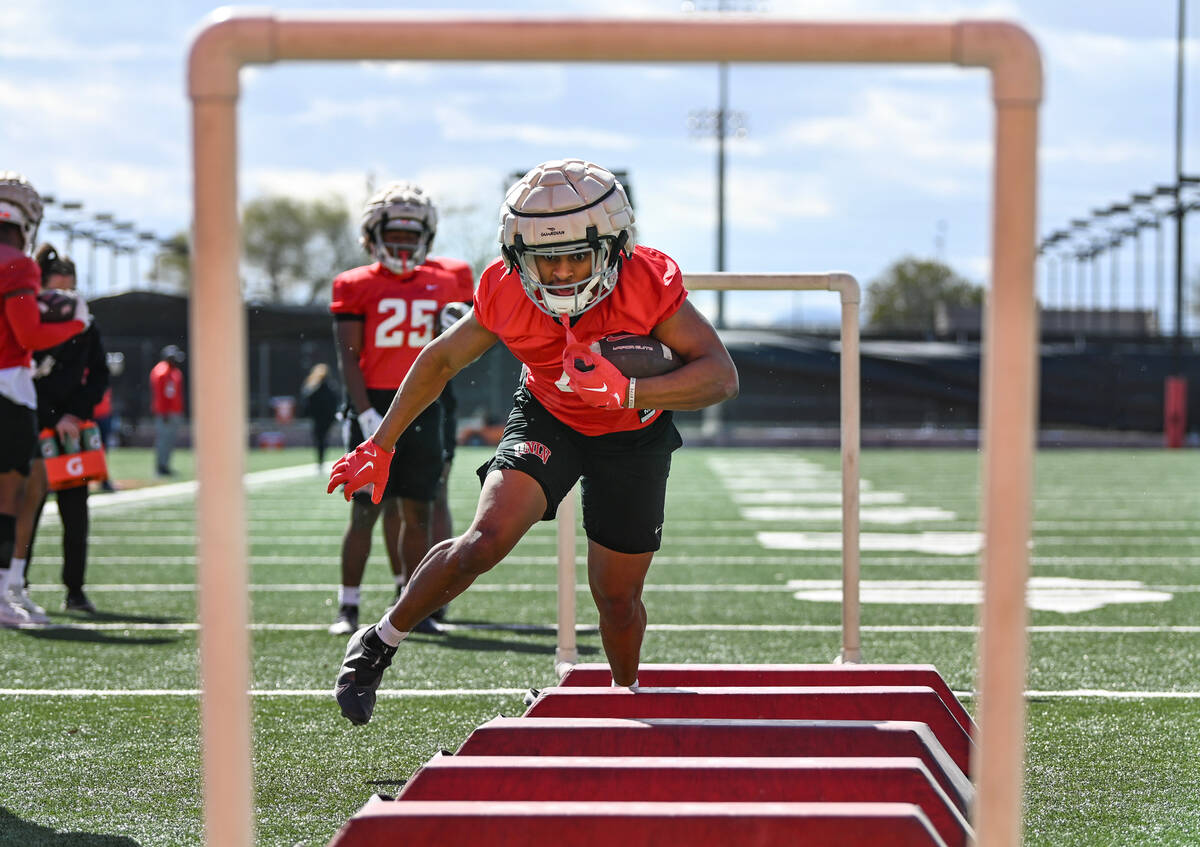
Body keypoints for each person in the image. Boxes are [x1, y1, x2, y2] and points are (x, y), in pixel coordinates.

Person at [328, 159, 738, 725]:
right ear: (519, 258)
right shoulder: (505, 290)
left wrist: (630, 390)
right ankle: (378, 641)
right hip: (549, 415)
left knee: (617, 601)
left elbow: (720, 375)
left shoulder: (646, 283)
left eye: (577, 256)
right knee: (483, 540)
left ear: (615, 248)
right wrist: (380, 444)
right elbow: (441, 358)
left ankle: (625, 702)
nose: (564, 274)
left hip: (634, 434)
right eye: (547, 259)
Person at [327, 181, 474, 638]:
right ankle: (348, 606)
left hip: (427, 403)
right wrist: (365, 410)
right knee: (366, 511)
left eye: (413, 236)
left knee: (419, 509)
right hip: (374, 400)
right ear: (373, 235)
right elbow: (348, 356)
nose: (404, 244)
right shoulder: (354, 283)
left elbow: (466, 339)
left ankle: (415, 603)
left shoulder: (452, 275)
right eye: (396, 235)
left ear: (427, 236)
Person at [0, 173, 90, 626]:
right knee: (13, 490)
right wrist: (75, 321)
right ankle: (4, 589)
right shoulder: (17, 262)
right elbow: (28, 334)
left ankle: (12, 583)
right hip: (7, 386)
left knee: (28, 485)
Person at [11, 244, 109, 615]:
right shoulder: (25, 318)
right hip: (35, 424)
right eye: (56, 290)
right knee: (26, 507)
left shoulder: (86, 324)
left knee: (76, 512)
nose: (64, 298)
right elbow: (24, 378)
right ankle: (17, 584)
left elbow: (98, 375)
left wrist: (75, 414)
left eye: (70, 290)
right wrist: (52, 416)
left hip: (71, 431)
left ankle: (75, 590)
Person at [149, 344, 184, 477]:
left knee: (170, 440)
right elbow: (159, 394)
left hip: (174, 411)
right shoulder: (161, 372)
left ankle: (166, 465)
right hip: (165, 413)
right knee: (163, 439)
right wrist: (163, 412)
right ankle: (160, 467)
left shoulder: (175, 372)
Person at [300, 363, 339, 468]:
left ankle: (320, 460)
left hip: (322, 418)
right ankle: (321, 459)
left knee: (320, 438)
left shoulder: (322, 386)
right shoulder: (315, 386)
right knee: (322, 438)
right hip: (322, 417)